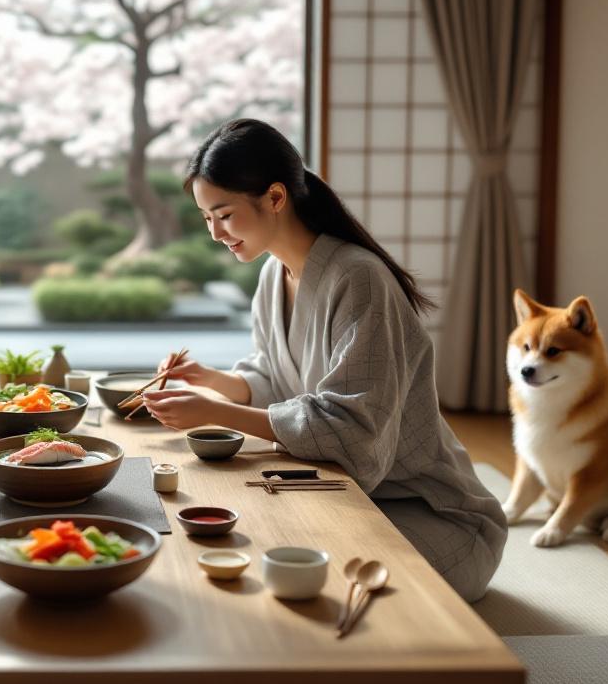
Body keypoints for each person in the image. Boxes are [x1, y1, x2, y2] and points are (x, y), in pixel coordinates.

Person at [142, 118, 506, 602]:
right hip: (351, 498)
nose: (215, 233)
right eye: (207, 219)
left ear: (275, 197)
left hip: (426, 512)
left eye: (224, 215)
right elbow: (280, 377)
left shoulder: (359, 278)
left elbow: (353, 430)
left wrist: (215, 412)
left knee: (301, 577)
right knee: (252, 550)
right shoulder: (274, 275)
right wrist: (218, 382)